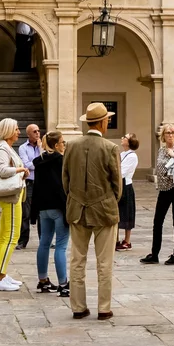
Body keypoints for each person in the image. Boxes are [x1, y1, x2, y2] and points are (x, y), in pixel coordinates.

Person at [63, 103, 123, 320]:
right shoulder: (110, 147)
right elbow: (117, 184)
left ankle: (78, 307)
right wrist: (108, 201)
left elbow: (65, 180)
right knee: (104, 262)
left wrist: (76, 198)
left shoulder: (71, 145)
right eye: (107, 119)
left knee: (77, 261)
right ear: (103, 122)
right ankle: (104, 308)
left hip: (77, 208)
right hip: (104, 210)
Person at [0, 118, 29, 292]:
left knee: (3, 236)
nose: (19, 132)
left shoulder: (7, 148)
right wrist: (20, 170)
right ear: (8, 131)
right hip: (11, 198)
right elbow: (2, 171)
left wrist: (21, 173)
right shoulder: (3, 148)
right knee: (12, 236)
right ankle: (0, 277)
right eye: (16, 129)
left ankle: (2, 274)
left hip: (14, 196)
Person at [33, 132, 70, 295]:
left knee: (44, 243)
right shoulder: (60, 160)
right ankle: (63, 284)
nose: (64, 144)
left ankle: (43, 280)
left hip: (43, 208)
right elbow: (63, 185)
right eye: (62, 142)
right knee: (61, 246)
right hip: (58, 207)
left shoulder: (39, 161)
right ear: (56, 146)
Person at [145, 124, 174, 265]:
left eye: (172, 132)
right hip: (164, 189)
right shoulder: (161, 150)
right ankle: (154, 254)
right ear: (163, 136)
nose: (170, 135)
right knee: (158, 221)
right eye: (167, 133)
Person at [15, 124, 44, 250]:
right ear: (28, 134)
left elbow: (45, 160)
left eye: (38, 131)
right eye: (34, 131)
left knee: (42, 214)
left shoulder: (42, 147)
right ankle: (23, 240)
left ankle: (44, 240)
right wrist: (40, 162)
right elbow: (26, 165)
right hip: (29, 183)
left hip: (42, 182)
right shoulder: (23, 148)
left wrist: (40, 149)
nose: (37, 133)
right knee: (25, 213)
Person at [114, 134, 141, 251]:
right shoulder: (122, 154)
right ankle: (116, 240)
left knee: (127, 212)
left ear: (129, 141)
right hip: (119, 184)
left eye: (125, 137)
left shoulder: (132, 156)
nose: (122, 138)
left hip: (126, 185)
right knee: (118, 212)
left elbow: (122, 172)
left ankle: (127, 240)